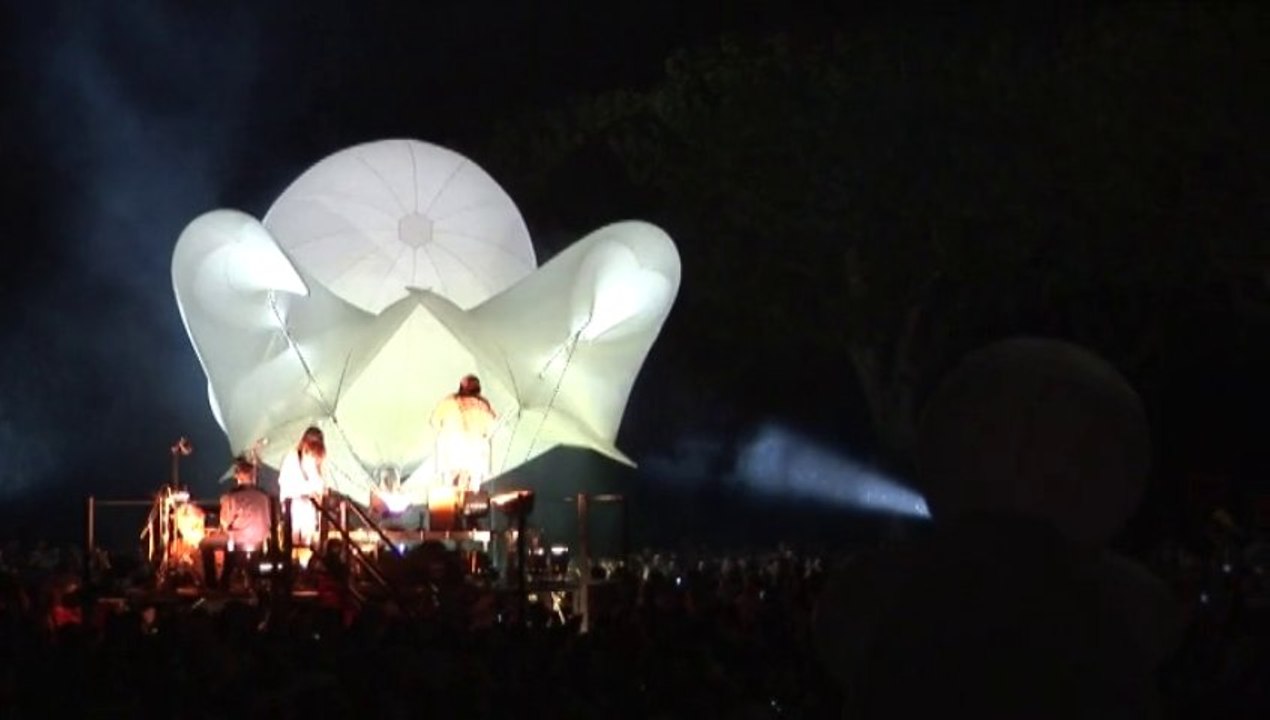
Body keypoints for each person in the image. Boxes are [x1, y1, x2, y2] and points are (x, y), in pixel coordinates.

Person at [202, 457, 276, 590]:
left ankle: (212, 585)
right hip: (260, 539)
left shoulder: (232, 497)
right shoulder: (264, 496)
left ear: (237, 476)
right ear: (253, 477)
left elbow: (224, 522)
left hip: (238, 540)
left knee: (205, 544)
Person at [430, 374, 497, 492]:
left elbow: (434, 422)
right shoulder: (485, 404)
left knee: (452, 488)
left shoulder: (449, 400)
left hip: (453, 452)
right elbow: (492, 428)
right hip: (476, 454)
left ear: (461, 387)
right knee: (473, 489)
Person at [277, 426, 328, 565]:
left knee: (307, 541)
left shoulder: (316, 460)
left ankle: (303, 567)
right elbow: (286, 483)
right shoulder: (292, 458)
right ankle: (295, 567)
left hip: (309, 507)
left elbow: (319, 483)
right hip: (295, 505)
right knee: (295, 540)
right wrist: (310, 491)